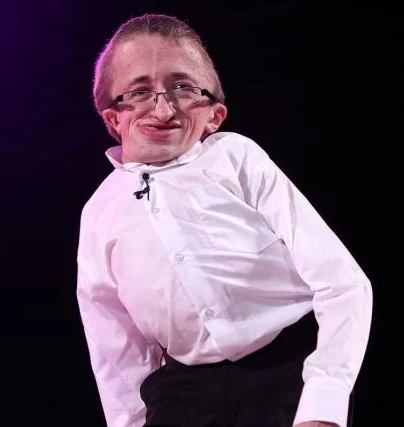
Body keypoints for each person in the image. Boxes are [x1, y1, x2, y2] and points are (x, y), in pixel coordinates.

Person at [76, 13, 372, 427]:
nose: (162, 108)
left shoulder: (235, 158)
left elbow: (342, 282)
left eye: (182, 87)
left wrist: (324, 402)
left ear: (214, 115)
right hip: (184, 391)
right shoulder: (100, 213)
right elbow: (113, 343)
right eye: (139, 92)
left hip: (288, 368)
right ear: (114, 118)